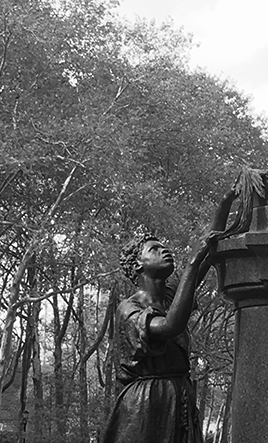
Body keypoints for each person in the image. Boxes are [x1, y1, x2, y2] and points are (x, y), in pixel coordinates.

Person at [101, 189, 236, 443]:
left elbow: (207, 249)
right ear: (139, 265)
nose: (166, 251)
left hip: (179, 396)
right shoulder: (128, 309)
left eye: (164, 247)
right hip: (147, 404)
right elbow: (171, 325)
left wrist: (226, 201)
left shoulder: (171, 294)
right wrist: (192, 265)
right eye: (155, 249)